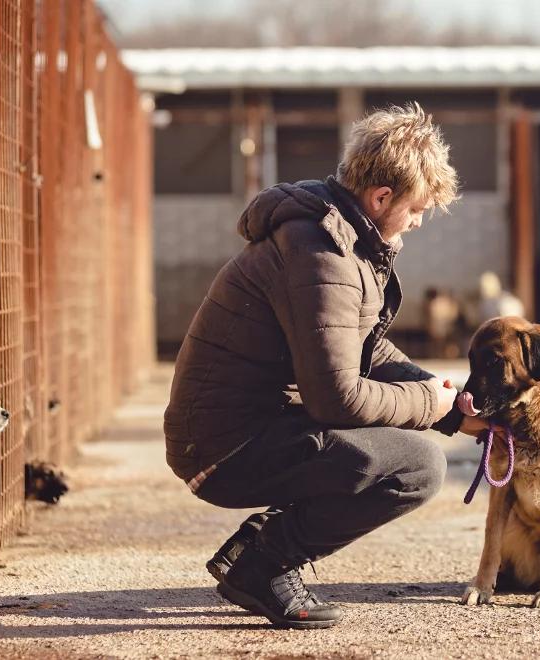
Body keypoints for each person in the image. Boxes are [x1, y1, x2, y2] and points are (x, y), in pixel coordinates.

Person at [163, 104, 485, 629]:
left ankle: (260, 554)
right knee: (417, 468)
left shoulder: (336, 237)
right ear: (381, 197)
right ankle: (263, 563)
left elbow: (365, 349)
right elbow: (337, 397)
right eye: (417, 208)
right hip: (226, 448)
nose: (419, 220)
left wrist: (443, 400)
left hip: (241, 431)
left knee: (409, 451)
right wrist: (432, 408)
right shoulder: (324, 254)